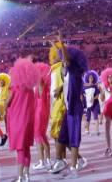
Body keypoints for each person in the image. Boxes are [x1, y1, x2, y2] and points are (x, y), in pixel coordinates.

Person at [50, 37, 87, 177]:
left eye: (65, 59)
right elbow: (67, 85)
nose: (63, 61)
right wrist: (60, 89)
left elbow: (67, 60)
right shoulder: (66, 72)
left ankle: (73, 168)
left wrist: (59, 45)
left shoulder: (75, 71)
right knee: (61, 136)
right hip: (68, 109)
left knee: (74, 138)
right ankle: (65, 161)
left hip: (75, 109)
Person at [7, 58, 40, 182]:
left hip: (17, 121)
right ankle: (26, 175)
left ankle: (20, 177)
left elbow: (7, 103)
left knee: (20, 149)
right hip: (28, 122)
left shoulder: (15, 88)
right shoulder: (31, 90)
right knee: (26, 148)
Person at [32, 60, 53, 173]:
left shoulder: (41, 84)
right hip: (40, 112)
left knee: (39, 135)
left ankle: (45, 161)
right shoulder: (40, 85)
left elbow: (39, 81)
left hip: (39, 113)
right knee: (40, 137)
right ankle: (44, 160)